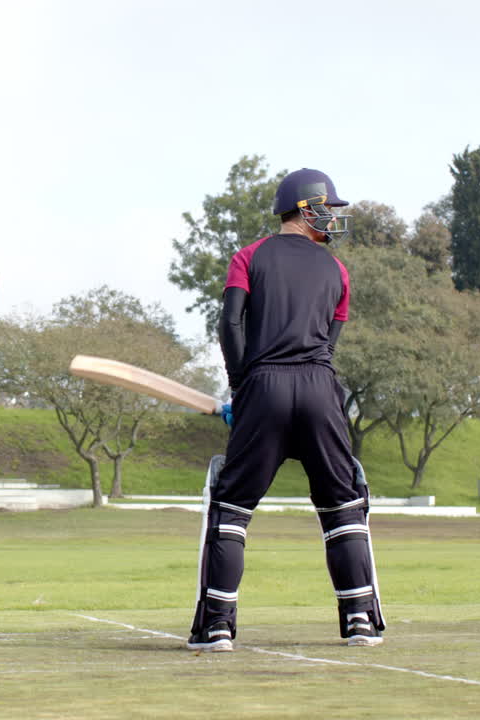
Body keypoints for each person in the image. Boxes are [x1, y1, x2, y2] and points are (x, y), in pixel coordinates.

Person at [187, 168, 385, 652]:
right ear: (306, 208)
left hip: (264, 385)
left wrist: (243, 387)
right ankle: (359, 619)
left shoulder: (247, 257)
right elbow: (329, 344)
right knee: (343, 504)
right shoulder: (337, 271)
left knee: (231, 508)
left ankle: (216, 627)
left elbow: (230, 324)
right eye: (329, 207)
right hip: (321, 387)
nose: (334, 217)